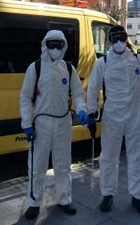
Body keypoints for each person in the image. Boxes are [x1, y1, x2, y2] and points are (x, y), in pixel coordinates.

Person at [86, 25, 140, 215]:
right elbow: (93, 88)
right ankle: (108, 195)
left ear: (126, 39)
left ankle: (138, 197)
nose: (118, 42)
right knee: (109, 157)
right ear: (109, 41)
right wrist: (91, 112)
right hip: (112, 115)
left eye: (121, 38)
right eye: (114, 38)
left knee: (138, 157)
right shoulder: (102, 62)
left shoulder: (138, 60)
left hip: (135, 115)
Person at [19, 30, 88, 220]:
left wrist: (81, 108)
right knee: (37, 165)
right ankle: (34, 203)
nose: (55, 48)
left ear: (64, 46)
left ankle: (64, 199)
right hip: (41, 124)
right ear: (45, 45)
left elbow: (78, 93)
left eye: (59, 45)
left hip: (63, 123)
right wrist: (26, 123)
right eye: (52, 44)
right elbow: (25, 97)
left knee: (63, 164)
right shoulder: (35, 68)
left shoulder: (68, 68)